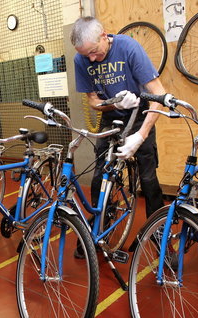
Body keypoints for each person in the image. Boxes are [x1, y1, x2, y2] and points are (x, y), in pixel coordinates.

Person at [70, 16, 166, 258]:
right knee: (100, 173)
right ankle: (99, 227)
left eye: (93, 52)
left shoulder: (129, 48)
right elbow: (93, 100)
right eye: (86, 55)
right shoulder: (81, 58)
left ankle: (159, 236)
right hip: (111, 118)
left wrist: (140, 136)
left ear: (104, 35)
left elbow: (159, 94)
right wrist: (111, 104)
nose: (91, 59)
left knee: (148, 177)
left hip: (141, 114)